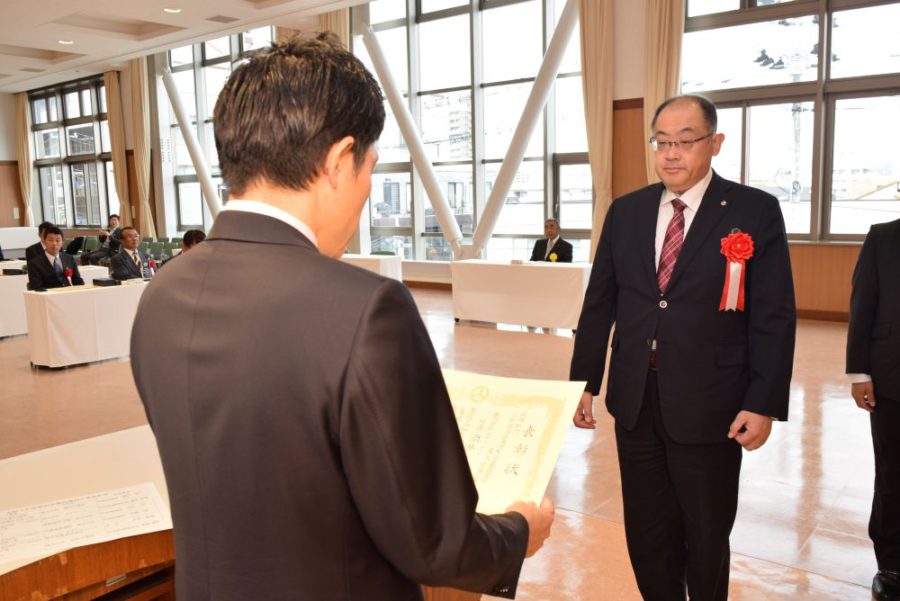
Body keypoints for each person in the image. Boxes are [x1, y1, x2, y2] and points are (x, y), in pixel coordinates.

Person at [130, 34, 553, 600]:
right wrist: (519, 531)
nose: (366, 191)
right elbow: (432, 542)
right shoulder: (366, 309)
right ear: (337, 161)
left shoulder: (162, 292)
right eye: (369, 168)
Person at [570, 94, 796, 601]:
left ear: (714, 143)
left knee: (707, 534)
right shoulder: (626, 212)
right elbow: (599, 301)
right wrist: (582, 383)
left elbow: (774, 315)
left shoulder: (754, 211)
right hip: (635, 401)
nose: (671, 154)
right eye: (662, 142)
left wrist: (762, 402)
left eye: (685, 142)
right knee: (647, 535)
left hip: (711, 402)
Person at [846, 218, 900, 601]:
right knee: (893, 472)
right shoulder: (883, 237)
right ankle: (893, 564)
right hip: (892, 376)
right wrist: (860, 371)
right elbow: (862, 303)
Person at [26, 226, 85, 290]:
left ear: (62, 243)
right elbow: (37, 287)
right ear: (44, 241)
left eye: (57, 240)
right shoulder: (34, 264)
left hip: (69, 294)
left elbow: (77, 281)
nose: (54, 243)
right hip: (48, 297)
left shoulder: (69, 259)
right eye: (50, 240)